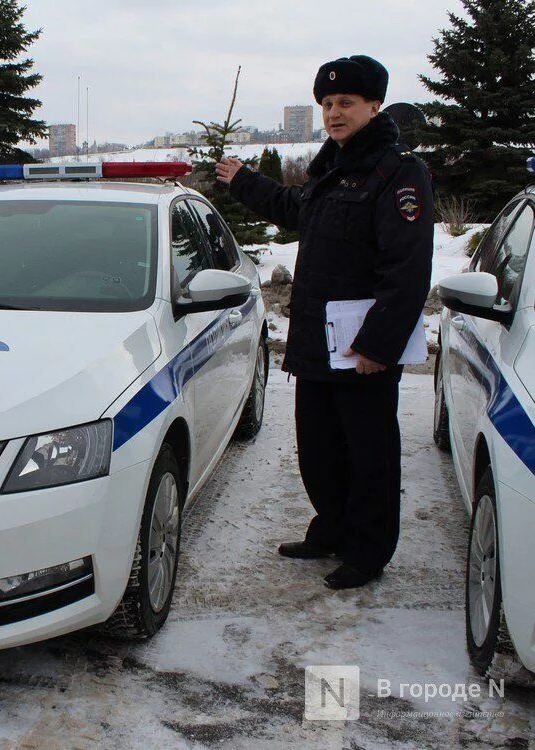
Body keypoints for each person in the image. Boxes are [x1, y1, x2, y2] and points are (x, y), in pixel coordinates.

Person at [215, 55, 434, 589]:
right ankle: (331, 529)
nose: (334, 113)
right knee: (318, 448)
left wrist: (378, 345)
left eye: (346, 104)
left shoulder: (397, 173)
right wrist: (244, 181)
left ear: (373, 106)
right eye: (328, 104)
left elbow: (406, 271)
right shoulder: (332, 165)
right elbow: (298, 210)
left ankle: (367, 550)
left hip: (362, 348)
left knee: (368, 452)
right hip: (318, 340)